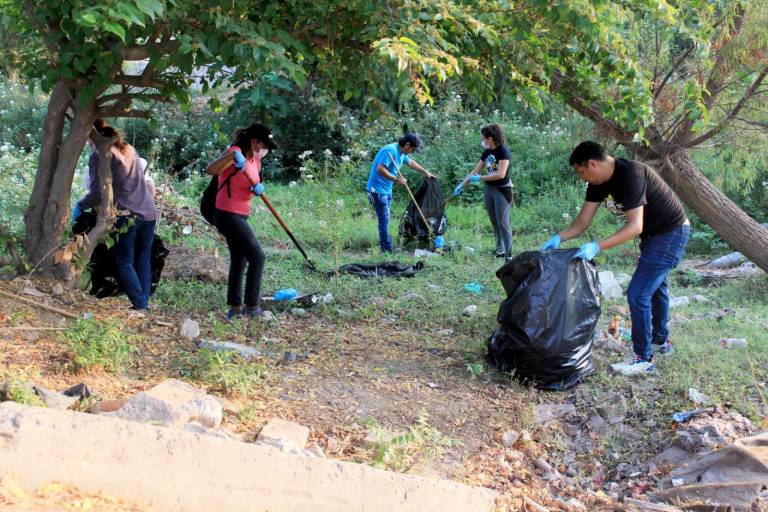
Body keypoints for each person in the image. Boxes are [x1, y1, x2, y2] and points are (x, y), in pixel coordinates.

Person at [541, 141, 690, 375]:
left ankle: (643, 359)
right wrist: (559, 237)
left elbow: (635, 226)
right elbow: (582, 222)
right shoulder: (598, 183)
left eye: (581, 172)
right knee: (657, 289)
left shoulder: (632, 174)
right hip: (653, 236)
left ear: (592, 164)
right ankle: (661, 342)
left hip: (671, 233)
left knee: (638, 294)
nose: (582, 178)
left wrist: (597, 246)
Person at [74, 120, 158, 312]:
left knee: (124, 261)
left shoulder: (99, 155)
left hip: (127, 214)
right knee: (143, 258)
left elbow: (96, 192)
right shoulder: (129, 149)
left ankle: (140, 304)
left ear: (92, 137)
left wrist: (80, 206)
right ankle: (143, 302)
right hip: (148, 211)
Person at [205, 123, 276, 320]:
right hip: (227, 214)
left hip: (241, 214)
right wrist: (231, 157)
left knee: (240, 259)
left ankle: (235, 308)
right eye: (264, 145)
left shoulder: (255, 161)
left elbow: (249, 184)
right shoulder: (235, 152)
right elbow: (210, 169)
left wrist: (257, 188)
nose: (265, 150)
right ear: (254, 142)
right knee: (258, 256)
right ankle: (252, 307)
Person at [366, 127, 435, 252]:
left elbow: (411, 163)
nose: (412, 152)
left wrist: (426, 172)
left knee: (386, 218)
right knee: (384, 219)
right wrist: (395, 180)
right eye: (413, 149)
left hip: (387, 190)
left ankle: (386, 244)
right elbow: (380, 169)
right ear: (407, 145)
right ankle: (386, 249)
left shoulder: (402, 153)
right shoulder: (390, 150)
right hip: (376, 190)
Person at [453, 124, 513, 260]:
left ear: (490, 138)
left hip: (502, 191)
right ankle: (500, 250)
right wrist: (461, 185)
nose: (482, 140)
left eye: (483, 138)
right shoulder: (487, 153)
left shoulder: (503, 152)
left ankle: (508, 255)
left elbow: (501, 174)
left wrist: (480, 178)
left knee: (503, 223)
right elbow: (474, 171)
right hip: (489, 190)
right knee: (494, 222)